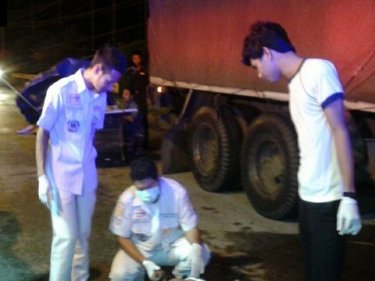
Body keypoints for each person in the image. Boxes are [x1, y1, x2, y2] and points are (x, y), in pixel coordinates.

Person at [242, 21, 362, 281]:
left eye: (257, 66)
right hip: (308, 199)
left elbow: (340, 131)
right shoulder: (294, 85)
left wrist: (349, 196)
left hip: (328, 202)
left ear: (267, 52)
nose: (259, 74)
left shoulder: (318, 70)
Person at [35, 45, 126, 281]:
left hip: (86, 175)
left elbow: (92, 133)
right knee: (65, 237)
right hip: (60, 175)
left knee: (83, 235)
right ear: (97, 68)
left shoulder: (100, 96)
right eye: (109, 81)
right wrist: (41, 177)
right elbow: (42, 133)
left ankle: (80, 278)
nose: (110, 87)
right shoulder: (61, 90)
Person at [109, 157, 210, 281]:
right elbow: (122, 238)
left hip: (171, 247)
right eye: (140, 189)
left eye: (150, 186)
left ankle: (179, 276)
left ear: (158, 178)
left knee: (202, 253)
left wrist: (195, 247)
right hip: (141, 249)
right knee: (119, 276)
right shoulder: (127, 200)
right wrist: (145, 262)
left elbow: (190, 227)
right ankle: (145, 271)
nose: (146, 193)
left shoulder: (176, 192)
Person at [120, 50, 150, 149]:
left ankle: (145, 143)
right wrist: (127, 94)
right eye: (134, 58)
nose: (136, 60)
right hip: (132, 99)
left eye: (138, 58)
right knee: (132, 119)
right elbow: (126, 84)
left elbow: (147, 83)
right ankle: (134, 142)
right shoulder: (129, 71)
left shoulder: (144, 70)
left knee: (143, 120)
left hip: (142, 98)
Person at [121, 88, 145, 163]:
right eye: (123, 94)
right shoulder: (125, 104)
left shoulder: (133, 105)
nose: (124, 96)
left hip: (134, 130)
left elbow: (132, 119)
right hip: (129, 129)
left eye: (126, 94)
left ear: (131, 96)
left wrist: (121, 116)